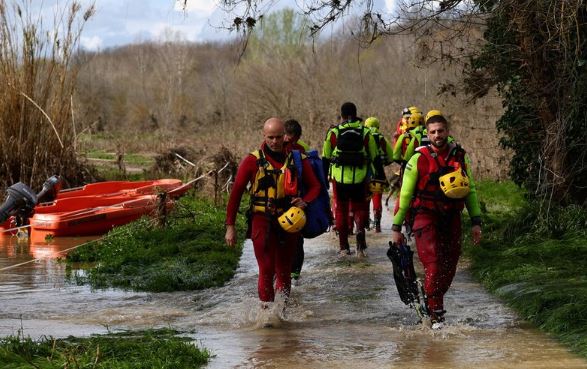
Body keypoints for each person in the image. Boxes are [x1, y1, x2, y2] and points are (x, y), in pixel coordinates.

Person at [390, 111, 482, 328]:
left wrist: (476, 221)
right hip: (425, 216)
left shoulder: (460, 156)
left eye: (441, 131)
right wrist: (396, 227)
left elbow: (471, 190)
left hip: (451, 217)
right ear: (427, 134)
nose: (437, 135)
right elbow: (404, 195)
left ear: (447, 132)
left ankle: (431, 298)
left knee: (450, 265)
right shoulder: (418, 159)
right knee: (433, 263)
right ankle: (436, 315)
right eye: (433, 132)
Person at [225, 117, 321, 308]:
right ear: (264, 136)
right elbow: (235, 195)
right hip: (262, 220)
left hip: (289, 220)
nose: (275, 142)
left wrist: (305, 201)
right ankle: (267, 314)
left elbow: (316, 186)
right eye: (271, 137)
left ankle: (282, 311)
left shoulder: (296, 159)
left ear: (284, 136)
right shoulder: (251, 161)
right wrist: (230, 226)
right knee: (266, 269)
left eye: (278, 137)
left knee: (285, 269)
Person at [323, 102, 384, 258]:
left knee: (341, 210)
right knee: (360, 208)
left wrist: (324, 178)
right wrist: (380, 176)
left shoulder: (334, 132)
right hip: (360, 177)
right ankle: (360, 242)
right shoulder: (365, 132)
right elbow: (375, 156)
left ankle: (344, 247)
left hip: (339, 178)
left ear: (342, 115)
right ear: (356, 114)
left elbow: (325, 157)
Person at [284, 119, 308, 281]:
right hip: (295, 200)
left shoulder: (270, 147)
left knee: (293, 239)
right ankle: (293, 274)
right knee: (296, 239)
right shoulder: (301, 149)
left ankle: (290, 274)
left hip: (288, 200)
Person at [364, 116, 393, 233]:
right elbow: (391, 156)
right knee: (377, 198)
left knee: (365, 199)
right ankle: (377, 225)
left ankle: (364, 223)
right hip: (378, 173)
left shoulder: (363, 136)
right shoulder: (381, 138)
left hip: (364, 173)